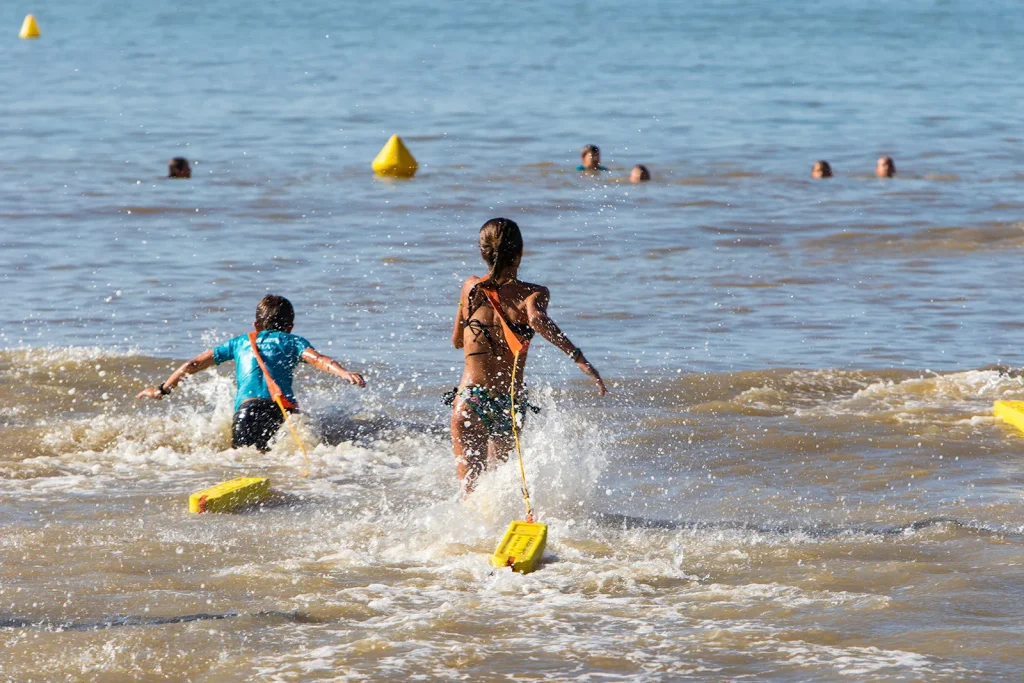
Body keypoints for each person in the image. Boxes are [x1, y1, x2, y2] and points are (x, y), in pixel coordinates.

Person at [448, 218, 607, 494]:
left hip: (470, 399)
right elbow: (537, 320)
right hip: (507, 403)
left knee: (470, 492)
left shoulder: (470, 288)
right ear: (519, 254)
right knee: (500, 489)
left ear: (483, 252)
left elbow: (457, 341)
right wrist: (578, 358)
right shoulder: (533, 293)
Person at [137, 294, 366, 451]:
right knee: (280, 457)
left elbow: (193, 364)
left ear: (255, 325)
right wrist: (344, 373)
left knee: (245, 461)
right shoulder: (292, 341)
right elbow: (318, 360)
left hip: (248, 411)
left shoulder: (240, 343)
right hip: (282, 411)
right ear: (290, 327)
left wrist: (163, 389)